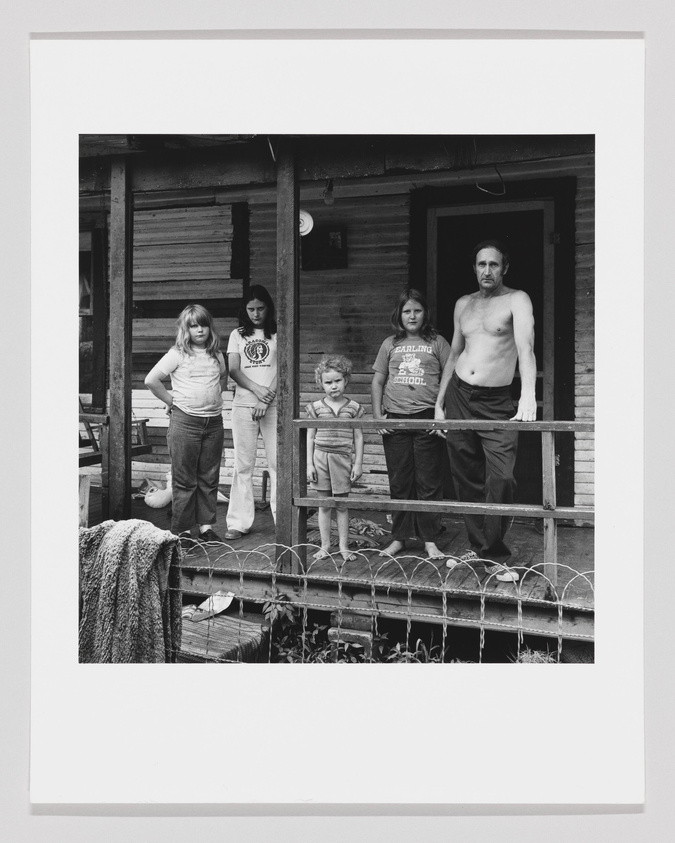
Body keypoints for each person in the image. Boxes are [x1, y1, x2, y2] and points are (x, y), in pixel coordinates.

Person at [434, 240, 537, 582]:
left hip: (496, 402)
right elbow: (454, 354)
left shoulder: (516, 299)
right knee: (465, 475)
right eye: (481, 265)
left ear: (504, 268)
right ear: (474, 268)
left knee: (502, 476)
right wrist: (439, 402)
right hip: (460, 395)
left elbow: (526, 347)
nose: (487, 271)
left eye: (494, 265)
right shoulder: (464, 303)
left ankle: (492, 551)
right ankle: (481, 550)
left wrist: (527, 396)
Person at [371, 289, 451, 561]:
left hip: (428, 418)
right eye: (407, 311)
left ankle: (429, 540)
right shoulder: (390, 344)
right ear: (399, 315)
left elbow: (451, 380)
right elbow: (378, 381)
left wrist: (443, 416)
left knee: (428, 482)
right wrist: (377, 417)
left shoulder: (438, 342)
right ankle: (399, 538)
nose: (412, 315)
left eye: (417, 310)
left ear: (425, 313)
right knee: (400, 480)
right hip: (395, 419)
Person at [144, 304, 227, 543]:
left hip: (213, 423)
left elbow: (222, 376)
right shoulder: (177, 354)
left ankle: (205, 528)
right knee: (185, 479)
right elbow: (152, 380)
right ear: (186, 329)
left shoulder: (216, 355)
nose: (199, 330)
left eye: (203, 324)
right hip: (185, 422)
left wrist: (212, 397)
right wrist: (172, 401)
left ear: (210, 327)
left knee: (209, 477)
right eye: (193, 326)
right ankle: (182, 532)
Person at [224, 285, 278, 540]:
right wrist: (258, 391)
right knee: (243, 464)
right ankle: (239, 521)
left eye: (261, 308)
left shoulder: (279, 333)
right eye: (251, 309)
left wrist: (267, 399)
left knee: (278, 463)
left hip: (273, 405)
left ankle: (283, 519)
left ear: (269, 308)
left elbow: (284, 369)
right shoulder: (237, 335)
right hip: (244, 405)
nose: (256, 314)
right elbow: (234, 369)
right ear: (244, 310)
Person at [306, 354, 365, 562]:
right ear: (321, 384)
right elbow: (310, 436)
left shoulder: (354, 408)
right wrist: (309, 464)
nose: (333, 386)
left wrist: (357, 463)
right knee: (324, 504)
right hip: (320, 457)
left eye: (337, 381)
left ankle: (343, 546)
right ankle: (325, 546)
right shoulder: (316, 408)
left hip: (342, 459)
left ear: (346, 380)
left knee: (341, 504)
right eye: (328, 382)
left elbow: (358, 436)